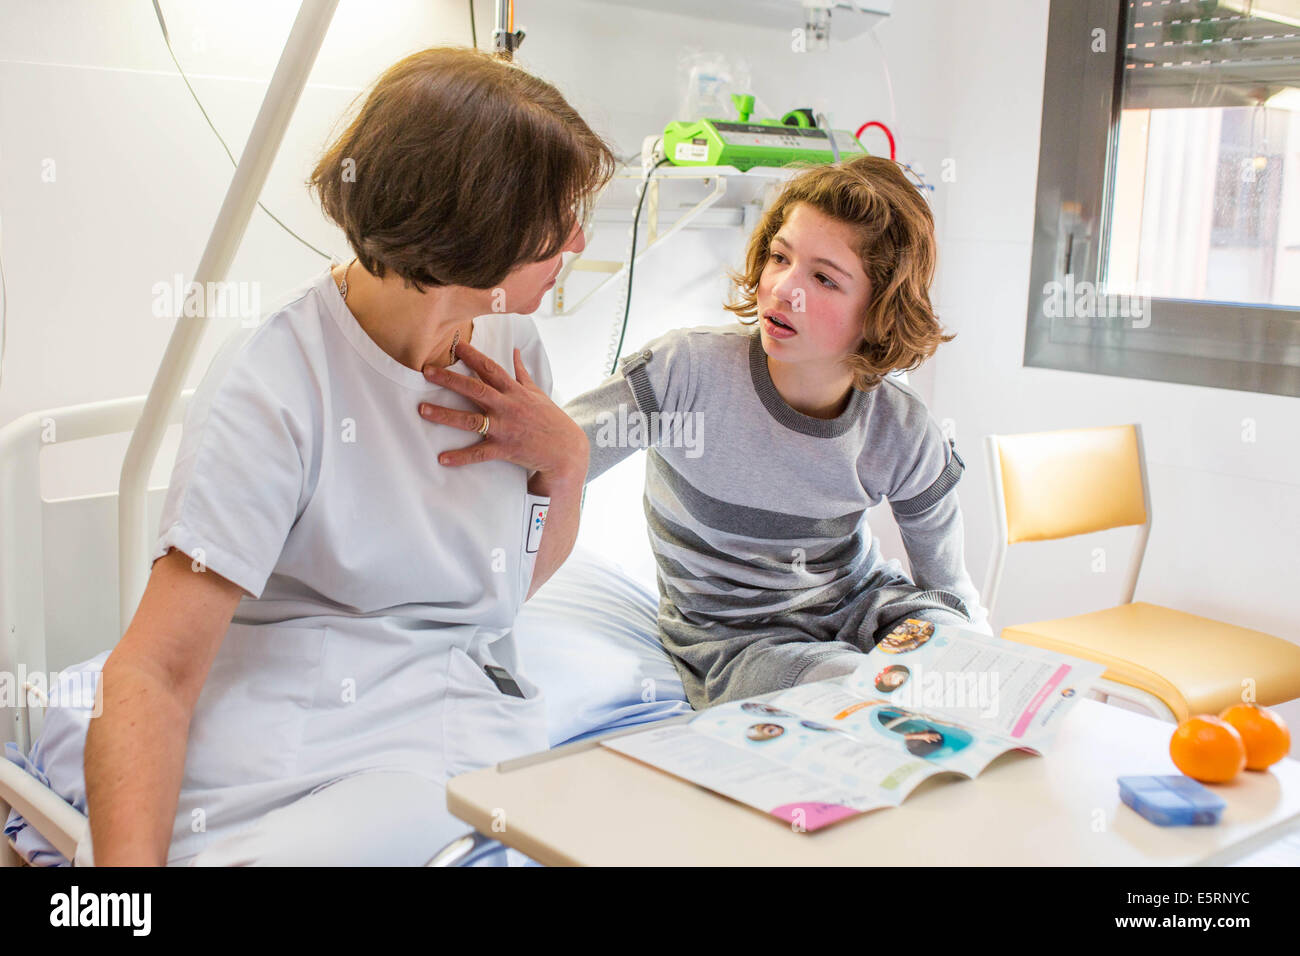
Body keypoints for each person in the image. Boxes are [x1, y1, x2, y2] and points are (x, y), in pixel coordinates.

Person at [80, 46, 614, 866]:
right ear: (468, 227)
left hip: (463, 718)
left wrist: (566, 464)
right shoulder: (277, 385)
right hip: (301, 738)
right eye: (553, 216)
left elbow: (501, 591)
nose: (577, 238)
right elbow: (152, 672)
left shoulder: (515, 349)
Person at [561, 155, 991, 711]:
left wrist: (980, 660)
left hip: (863, 607)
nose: (783, 288)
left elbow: (949, 591)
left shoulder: (902, 429)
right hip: (734, 641)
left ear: (879, 309)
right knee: (852, 688)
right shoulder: (685, 372)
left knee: (954, 654)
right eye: (779, 257)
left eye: (824, 278)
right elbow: (556, 458)